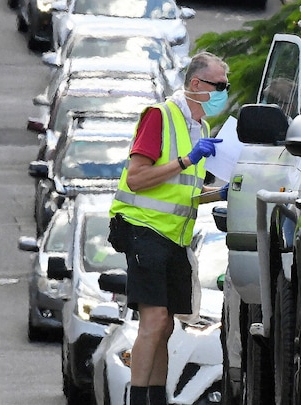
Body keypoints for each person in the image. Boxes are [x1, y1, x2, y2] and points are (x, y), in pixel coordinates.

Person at [108, 51, 231, 405]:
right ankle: (138, 399)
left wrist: (219, 192)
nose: (224, 92)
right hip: (143, 229)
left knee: (167, 324)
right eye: (219, 85)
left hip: (174, 237)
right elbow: (137, 178)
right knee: (155, 319)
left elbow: (184, 193)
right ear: (197, 84)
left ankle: (155, 397)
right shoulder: (160, 116)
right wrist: (187, 159)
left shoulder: (201, 128)